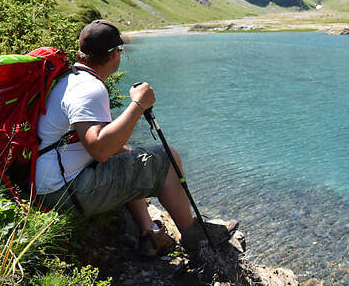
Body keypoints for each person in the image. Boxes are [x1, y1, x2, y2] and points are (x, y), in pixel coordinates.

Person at [36, 19, 236, 256]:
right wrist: (139, 104)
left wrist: (131, 153)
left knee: (131, 157)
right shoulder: (90, 89)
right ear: (114, 55)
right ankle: (193, 234)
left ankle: (149, 234)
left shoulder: (71, 78)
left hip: (49, 186)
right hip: (66, 194)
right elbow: (99, 149)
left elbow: (95, 143)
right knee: (167, 158)